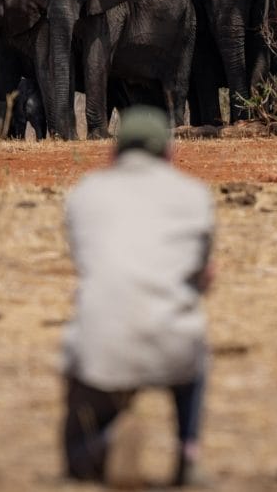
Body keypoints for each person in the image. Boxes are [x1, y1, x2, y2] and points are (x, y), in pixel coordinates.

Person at [62, 106, 215, 488]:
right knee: (196, 346)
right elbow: (204, 274)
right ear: (169, 152)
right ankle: (187, 451)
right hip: (173, 344)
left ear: (113, 152)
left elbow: (86, 263)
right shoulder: (195, 196)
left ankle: (97, 444)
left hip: (102, 347)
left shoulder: (84, 194)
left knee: (80, 345)